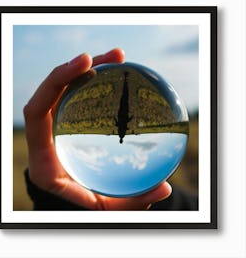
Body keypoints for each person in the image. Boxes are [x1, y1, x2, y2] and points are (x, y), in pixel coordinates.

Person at [23, 48, 198, 211]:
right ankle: (127, 83)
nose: (121, 139)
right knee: (125, 98)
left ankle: (127, 83)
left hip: (123, 115)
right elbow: (122, 126)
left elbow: (122, 126)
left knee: (125, 98)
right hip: (123, 115)